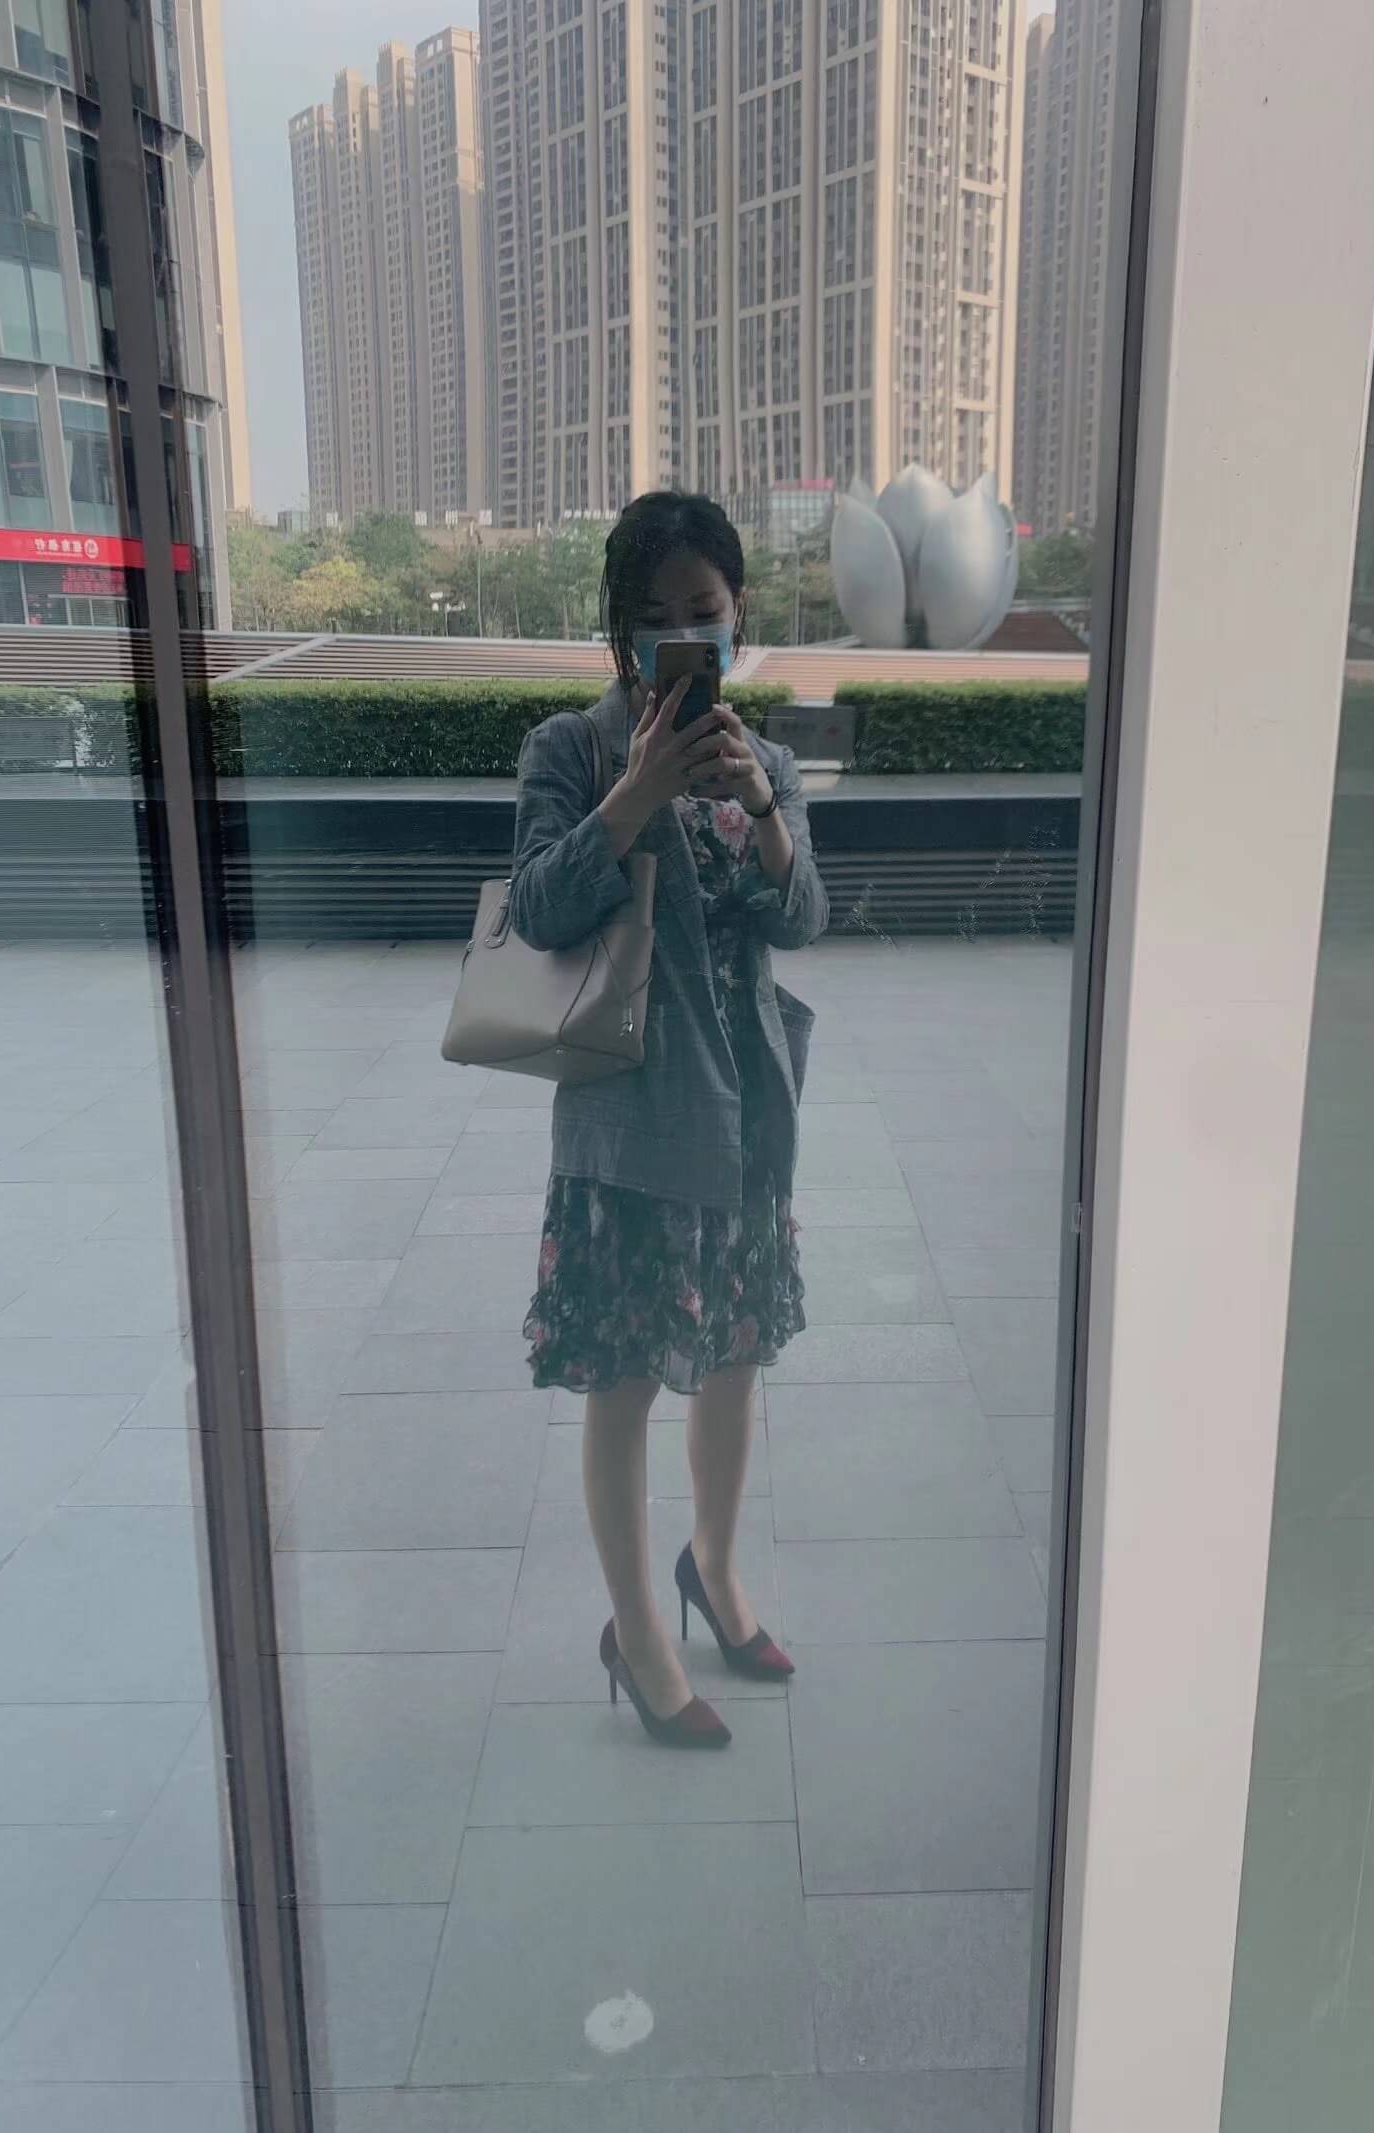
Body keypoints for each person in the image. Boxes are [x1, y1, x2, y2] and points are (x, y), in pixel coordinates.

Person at [507, 492, 828, 1749]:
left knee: (736, 1358)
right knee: (628, 1381)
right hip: (634, 1125)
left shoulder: (767, 762)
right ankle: (638, 1630)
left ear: (737, 615)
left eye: (703, 610)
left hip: (749, 1114)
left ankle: (716, 1572)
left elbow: (804, 920)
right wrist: (634, 795)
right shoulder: (571, 750)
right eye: (654, 617)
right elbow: (539, 910)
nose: (682, 634)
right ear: (618, 633)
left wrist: (761, 812)